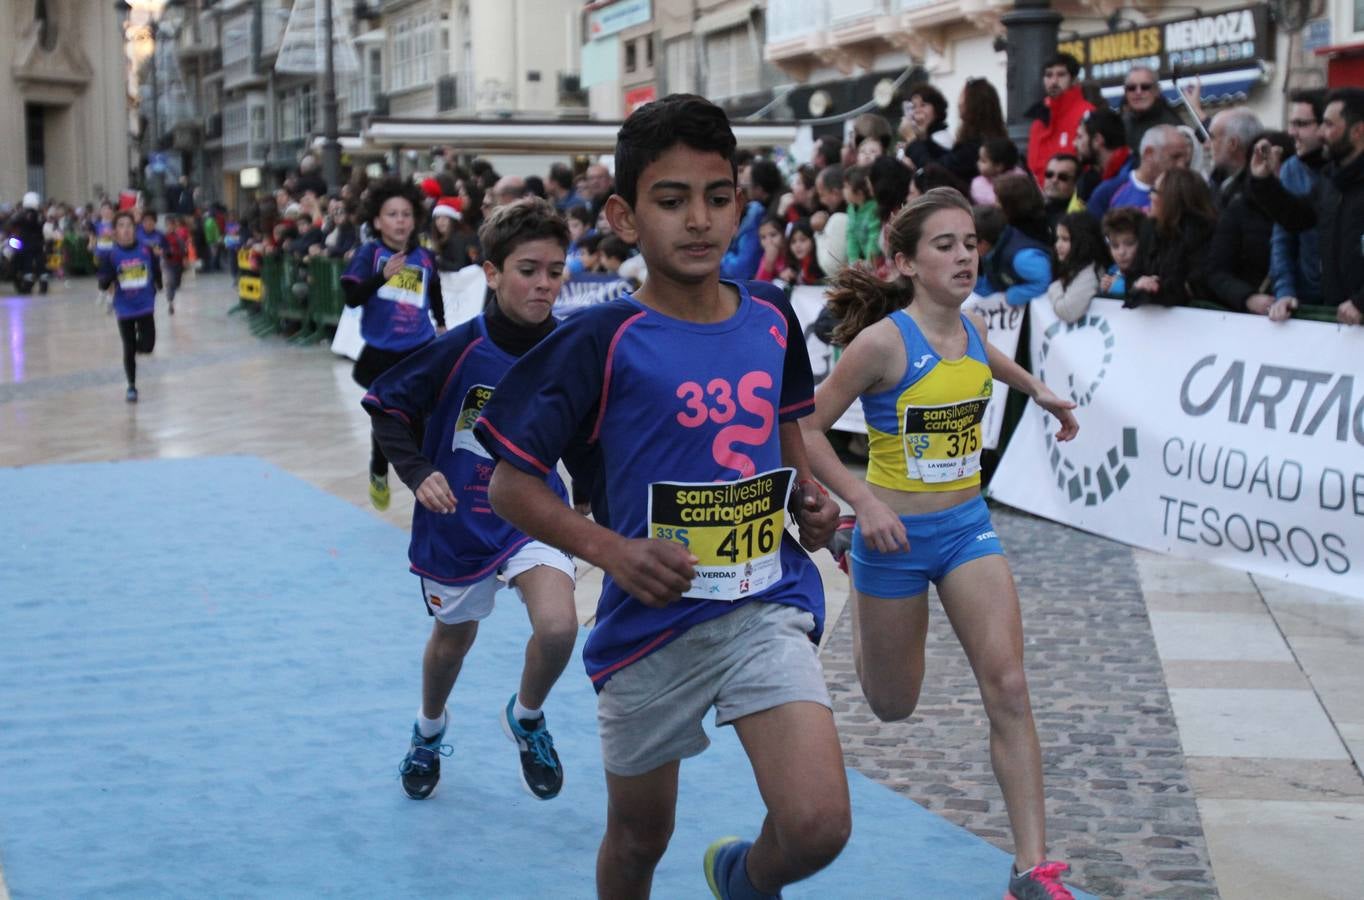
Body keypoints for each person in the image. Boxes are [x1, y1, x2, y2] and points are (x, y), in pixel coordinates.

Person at [473, 93, 848, 900]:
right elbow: (508, 483)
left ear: (740, 203)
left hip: (763, 606)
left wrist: (808, 501)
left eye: (717, 197)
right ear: (625, 215)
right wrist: (612, 553)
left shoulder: (774, 316)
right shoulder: (597, 340)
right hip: (650, 630)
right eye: (671, 201)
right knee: (641, 841)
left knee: (819, 825)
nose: (699, 220)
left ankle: (745, 879)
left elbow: (787, 431)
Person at [797, 186, 1079, 900]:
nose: (964, 257)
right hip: (891, 538)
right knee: (893, 704)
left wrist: (1038, 390)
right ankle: (849, 552)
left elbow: (986, 359)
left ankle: (1031, 871)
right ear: (907, 264)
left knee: (1009, 686)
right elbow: (803, 427)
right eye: (944, 246)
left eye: (970, 244)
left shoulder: (972, 326)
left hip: (965, 531)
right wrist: (856, 501)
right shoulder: (882, 344)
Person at [362, 198, 578, 803]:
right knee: (452, 643)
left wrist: (595, 494)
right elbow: (385, 405)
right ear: (491, 272)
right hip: (457, 521)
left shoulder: (568, 348)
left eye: (555, 272)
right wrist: (418, 471)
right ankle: (429, 730)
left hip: (532, 514)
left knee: (560, 628)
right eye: (528, 269)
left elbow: (592, 428)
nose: (543, 285)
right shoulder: (459, 347)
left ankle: (527, 718)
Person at [342, 177, 448, 510]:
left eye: (406, 214)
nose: (400, 221)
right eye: (391, 214)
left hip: (420, 349)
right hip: (381, 354)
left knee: (422, 420)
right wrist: (381, 276)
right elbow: (352, 297)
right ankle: (378, 465)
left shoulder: (425, 257)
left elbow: (434, 291)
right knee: (388, 417)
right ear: (376, 221)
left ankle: (427, 481)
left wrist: (441, 324)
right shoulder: (369, 253)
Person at [1248, 87, 1364, 325]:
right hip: (1338, 321)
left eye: (1329, 125)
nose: (1322, 133)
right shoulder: (1330, 181)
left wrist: (1361, 301)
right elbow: (1297, 218)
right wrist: (1264, 181)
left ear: (1357, 131)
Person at [1207, 131, 1294, 315]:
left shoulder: (1307, 204)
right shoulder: (1239, 208)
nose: (1266, 166)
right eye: (1260, 158)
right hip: (1252, 317)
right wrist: (1248, 298)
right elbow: (1217, 271)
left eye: (1272, 158)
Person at [1268, 89, 1329, 314]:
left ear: (1326, 126)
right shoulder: (1291, 168)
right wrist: (1285, 291)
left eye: (1301, 124)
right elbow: (1282, 239)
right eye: (1291, 123)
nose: (1292, 132)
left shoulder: (1346, 168)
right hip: (1307, 301)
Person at [1125, 167, 1217, 308]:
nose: (1149, 196)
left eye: (1155, 191)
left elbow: (1195, 287)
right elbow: (1134, 272)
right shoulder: (1149, 229)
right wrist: (1140, 283)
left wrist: (1158, 287)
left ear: (1172, 199)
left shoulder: (1203, 235)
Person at [98, 210, 162, 403]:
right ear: (115, 231)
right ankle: (131, 386)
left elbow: (156, 269)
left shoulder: (145, 250)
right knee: (128, 346)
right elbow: (102, 283)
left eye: (129, 226)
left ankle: (137, 349)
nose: (126, 230)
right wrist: (113, 276)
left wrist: (158, 284)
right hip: (124, 307)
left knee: (148, 346)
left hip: (145, 304)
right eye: (121, 226)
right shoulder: (111, 255)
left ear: (135, 229)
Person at [974, 185, 1052, 306]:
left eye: (969, 244)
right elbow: (991, 284)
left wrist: (1013, 296)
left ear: (983, 243)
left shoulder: (1023, 258)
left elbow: (1045, 281)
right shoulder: (991, 253)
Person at [1025, 53, 1094, 186]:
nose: (1054, 81)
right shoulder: (1039, 118)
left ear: (1074, 79)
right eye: (1049, 75)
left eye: (1061, 75)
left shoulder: (1087, 113)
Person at [1105, 124, 1190, 213]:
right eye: (1175, 157)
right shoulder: (1111, 190)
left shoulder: (1189, 191)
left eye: (1186, 160)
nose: (1182, 165)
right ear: (1149, 154)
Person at [1047, 210, 1109, 322]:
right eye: (1058, 238)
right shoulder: (1073, 267)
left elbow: (1067, 311)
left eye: (1065, 239)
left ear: (1082, 241)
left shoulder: (1089, 273)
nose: (1058, 245)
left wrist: (1055, 286)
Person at [1119, 65, 1183, 155]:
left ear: (1156, 90)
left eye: (1145, 87)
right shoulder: (1122, 124)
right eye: (1131, 88)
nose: (1138, 92)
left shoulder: (1171, 124)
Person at [1207, 107, 1263, 209]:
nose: (1206, 145)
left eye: (1212, 137)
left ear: (1233, 144)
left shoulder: (1258, 191)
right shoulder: (1215, 182)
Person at [1077, 107, 1132, 212]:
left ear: (1098, 140)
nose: (1075, 143)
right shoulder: (1090, 179)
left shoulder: (1129, 177)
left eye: (1080, 137)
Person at [900, 82, 953, 171]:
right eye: (913, 107)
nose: (917, 111)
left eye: (923, 105)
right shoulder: (920, 138)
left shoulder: (943, 137)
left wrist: (911, 139)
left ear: (936, 110)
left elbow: (931, 167)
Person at [1099, 207, 1143, 299]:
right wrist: (1104, 291)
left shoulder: (1153, 272)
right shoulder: (1112, 272)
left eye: (1130, 243)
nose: (1122, 252)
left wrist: (1118, 287)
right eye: (1115, 246)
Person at [813, 165, 849, 275]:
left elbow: (830, 266)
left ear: (835, 193)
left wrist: (819, 232)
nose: (821, 201)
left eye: (822, 195)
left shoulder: (839, 219)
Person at [972, 137, 1026, 206]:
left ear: (999, 166)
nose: (978, 163)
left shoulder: (1019, 179)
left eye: (983, 161)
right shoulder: (979, 183)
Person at [843, 165, 880, 264]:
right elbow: (851, 236)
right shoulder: (851, 208)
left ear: (859, 193)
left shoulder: (874, 209)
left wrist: (870, 262)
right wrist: (853, 261)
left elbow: (874, 238)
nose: (843, 191)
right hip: (864, 261)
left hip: (877, 261)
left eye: (846, 187)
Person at [1040, 153, 1082, 234]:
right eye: (1049, 174)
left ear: (1076, 183)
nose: (1054, 180)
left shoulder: (1078, 217)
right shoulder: (1032, 211)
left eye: (1063, 177)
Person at [785, 218, 826, 285]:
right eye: (793, 242)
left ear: (813, 240)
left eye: (803, 240)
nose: (797, 246)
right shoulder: (796, 266)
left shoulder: (821, 263)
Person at [754, 215, 790, 284]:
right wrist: (769, 264)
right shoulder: (766, 256)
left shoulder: (792, 251)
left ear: (784, 234)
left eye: (773, 235)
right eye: (763, 237)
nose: (768, 241)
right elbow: (759, 285)